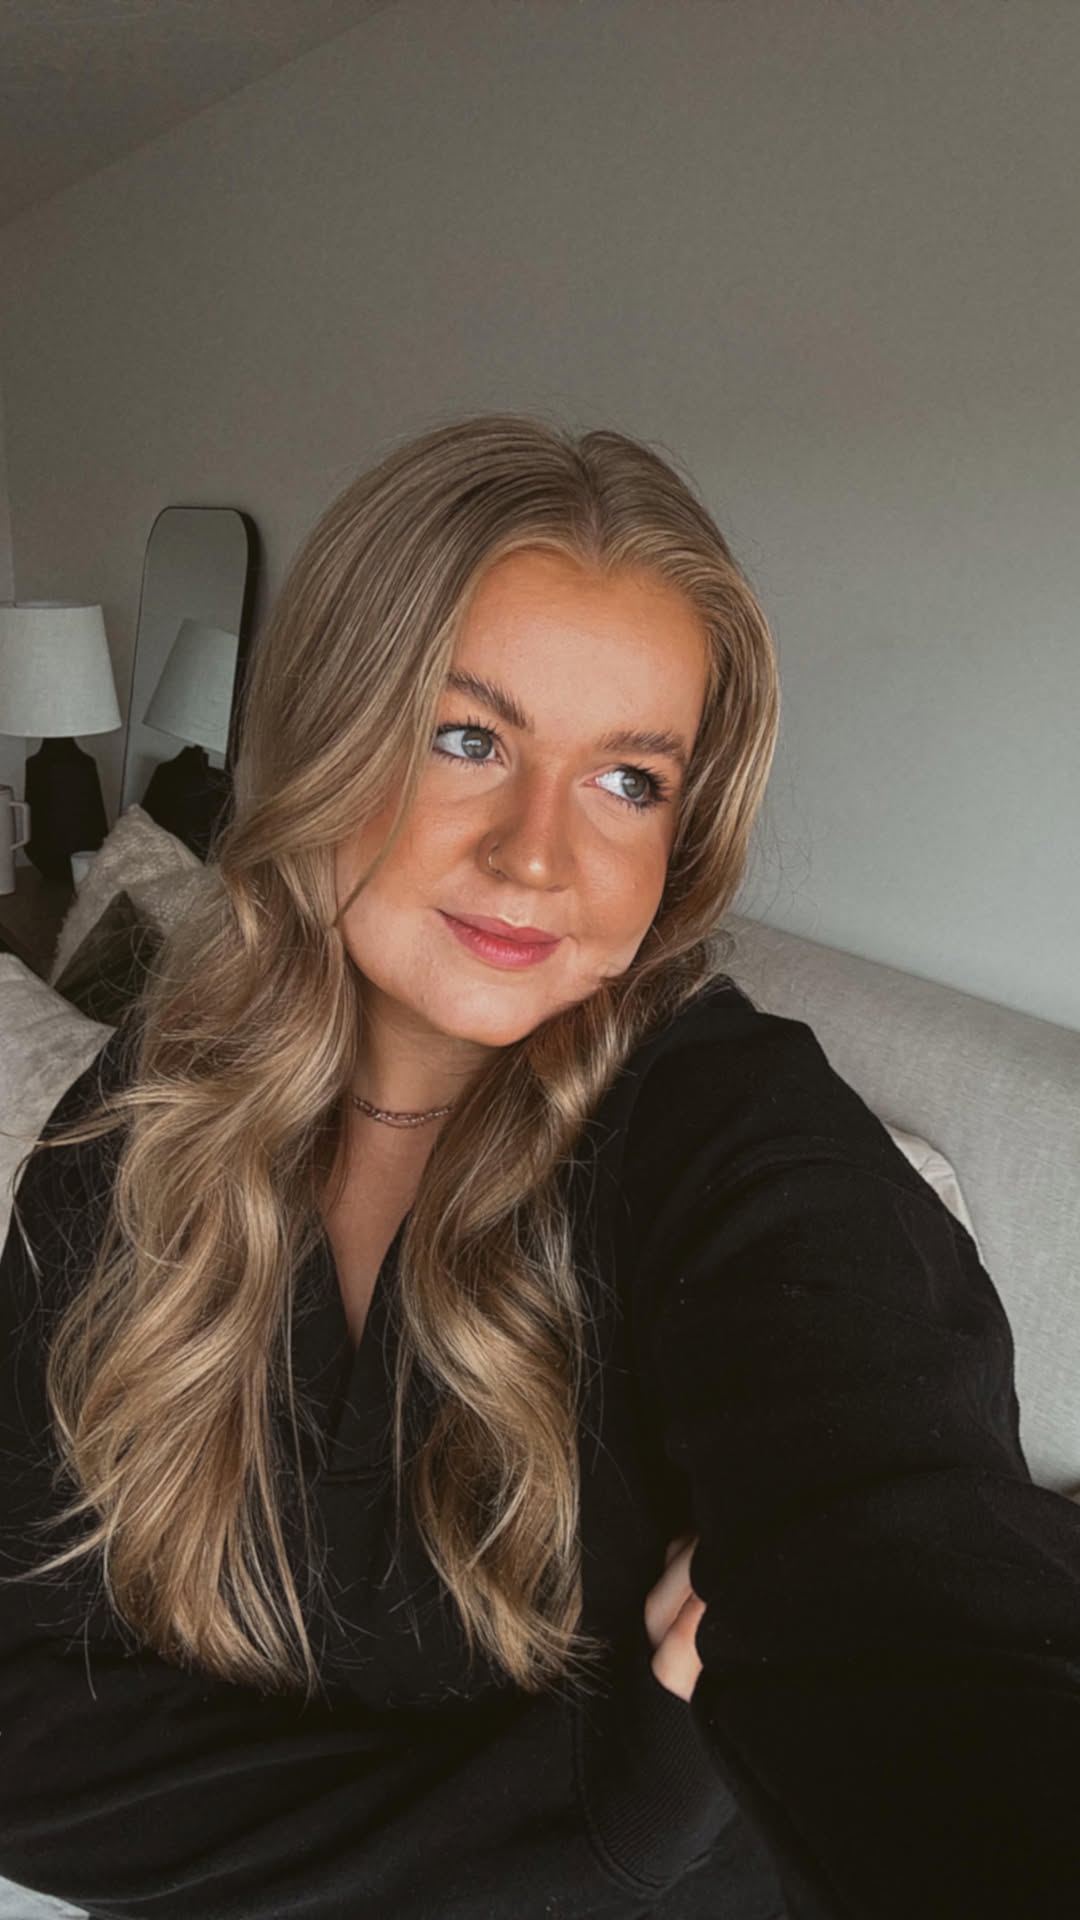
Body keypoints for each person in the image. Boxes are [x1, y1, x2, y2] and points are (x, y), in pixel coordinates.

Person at [1, 413, 1078, 1920]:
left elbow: (917, 1582)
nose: (535, 857)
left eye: (629, 780)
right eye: (468, 739)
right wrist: (602, 1822)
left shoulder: (732, 1137)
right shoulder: (143, 1117)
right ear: (325, 734)